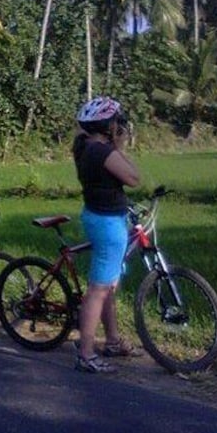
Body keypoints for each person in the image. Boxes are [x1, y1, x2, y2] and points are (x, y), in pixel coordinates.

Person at [71, 96, 141, 374]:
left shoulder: (85, 146)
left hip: (98, 217)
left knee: (107, 286)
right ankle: (86, 354)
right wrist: (120, 147)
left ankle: (112, 340)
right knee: (98, 291)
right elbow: (134, 178)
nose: (118, 125)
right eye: (115, 122)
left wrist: (114, 143)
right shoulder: (103, 152)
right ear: (107, 125)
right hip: (109, 225)